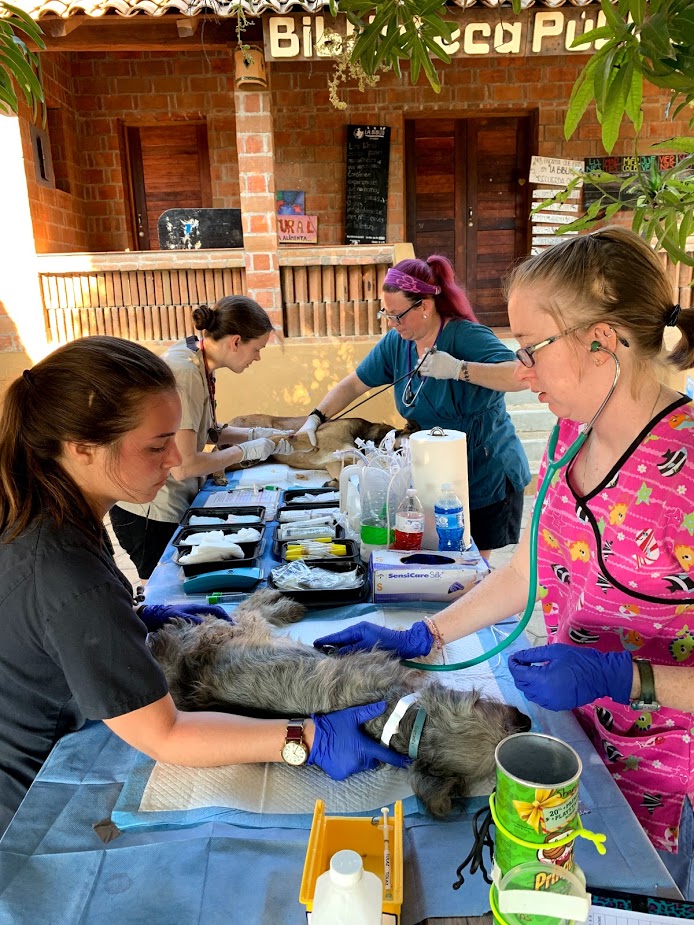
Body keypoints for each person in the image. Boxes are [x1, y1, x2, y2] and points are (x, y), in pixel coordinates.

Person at [313, 227, 694, 897]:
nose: (521, 371)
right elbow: (529, 572)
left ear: (601, 341)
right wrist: (428, 634)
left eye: (532, 349)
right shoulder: (573, 432)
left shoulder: (686, 472)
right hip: (575, 754)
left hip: (667, 791)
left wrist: (629, 677)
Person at [0, 336, 409, 838]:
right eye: (156, 446)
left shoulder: (49, 513)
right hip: (32, 797)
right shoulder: (63, 572)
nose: (176, 459)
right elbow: (166, 734)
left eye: (174, 437)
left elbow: (46, 630)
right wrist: (304, 738)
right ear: (82, 449)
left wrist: (128, 622)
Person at [296, 255, 531, 559]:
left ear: (424, 306)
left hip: (485, 473)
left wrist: (460, 369)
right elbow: (354, 384)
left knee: (471, 566)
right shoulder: (398, 343)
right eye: (387, 314)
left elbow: (519, 375)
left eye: (398, 315)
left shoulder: (466, 336)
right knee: (437, 559)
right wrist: (315, 417)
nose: (392, 324)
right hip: (433, 472)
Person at [111, 296, 294, 580]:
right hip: (152, 513)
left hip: (167, 501)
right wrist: (246, 451)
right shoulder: (184, 373)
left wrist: (259, 435)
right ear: (235, 341)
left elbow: (207, 430)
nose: (257, 357)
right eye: (257, 349)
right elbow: (185, 467)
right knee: (172, 590)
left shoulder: (197, 359)